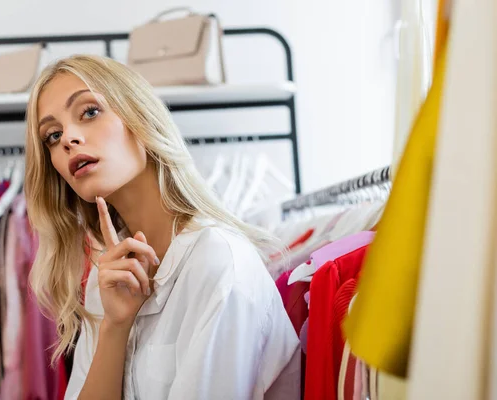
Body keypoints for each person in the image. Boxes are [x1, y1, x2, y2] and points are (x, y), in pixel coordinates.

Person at [24, 55, 299, 399]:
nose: (68, 140)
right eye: (52, 135)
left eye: (90, 112)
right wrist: (114, 326)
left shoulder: (218, 262)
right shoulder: (107, 275)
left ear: (139, 116)